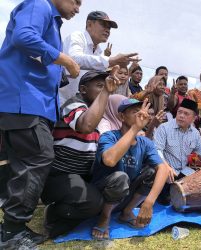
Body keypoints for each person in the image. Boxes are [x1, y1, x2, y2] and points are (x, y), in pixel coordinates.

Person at [0, 0, 81, 248]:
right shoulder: (40, 5)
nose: (78, 7)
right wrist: (64, 59)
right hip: (24, 101)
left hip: (28, 104)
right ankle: (12, 232)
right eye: (76, 1)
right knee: (39, 157)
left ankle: (12, 229)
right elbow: (24, 37)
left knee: (23, 164)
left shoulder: (52, 20)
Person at [41, 68, 121, 239]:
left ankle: (77, 208)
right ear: (83, 89)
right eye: (99, 86)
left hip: (83, 176)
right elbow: (85, 126)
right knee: (93, 204)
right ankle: (54, 214)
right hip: (59, 176)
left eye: (105, 86)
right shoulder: (74, 104)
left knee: (115, 184)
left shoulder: (98, 113)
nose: (104, 89)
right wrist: (106, 91)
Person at [91, 98, 169, 239]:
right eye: (135, 112)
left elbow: (163, 168)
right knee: (121, 177)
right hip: (102, 191)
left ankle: (127, 212)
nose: (141, 115)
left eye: (143, 112)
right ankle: (104, 217)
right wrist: (135, 128)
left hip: (125, 191)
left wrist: (149, 202)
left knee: (152, 172)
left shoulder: (145, 142)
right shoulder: (109, 136)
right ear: (121, 116)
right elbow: (109, 160)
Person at [59, 10, 140, 104]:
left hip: (80, 106)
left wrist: (109, 77)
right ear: (89, 24)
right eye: (103, 25)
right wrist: (111, 60)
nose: (107, 30)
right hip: (62, 102)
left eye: (109, 28)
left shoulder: (98, 52)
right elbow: (74, 59)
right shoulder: (77, 36)